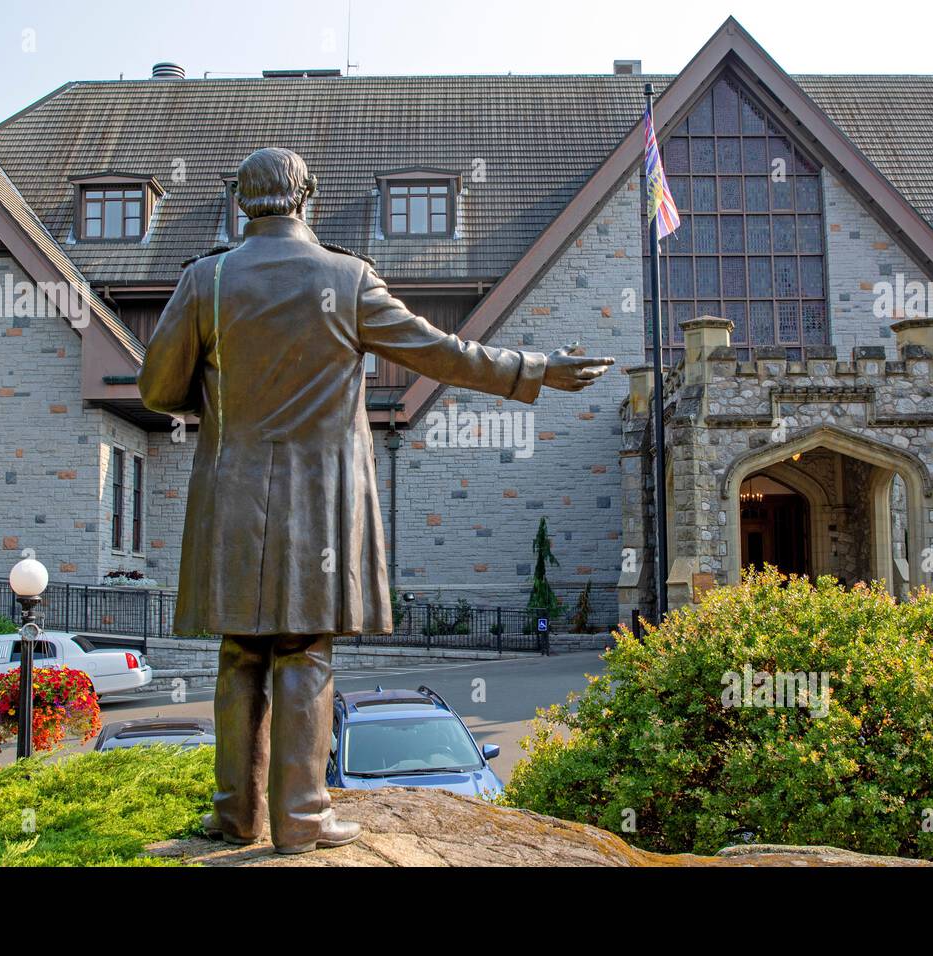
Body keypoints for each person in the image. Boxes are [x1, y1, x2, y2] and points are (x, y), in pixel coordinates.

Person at [139, 147, 613, 854]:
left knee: (240, 653)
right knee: (304, 649)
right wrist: (533, 368)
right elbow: (443, 352)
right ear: (309, 198)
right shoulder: (346, 278)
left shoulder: (205, 281)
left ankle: (235, 814)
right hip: (320, 497)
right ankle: (300, 815)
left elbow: (155, 390)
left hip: (232, 495)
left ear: (242, 201)